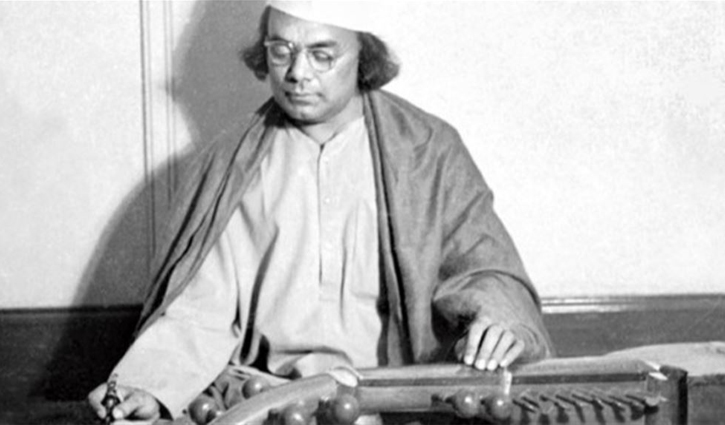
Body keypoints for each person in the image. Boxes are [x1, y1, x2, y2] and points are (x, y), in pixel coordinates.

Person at [88, 1, 554, 423]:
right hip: (264, 402)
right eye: (281, 51)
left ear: (363, 55)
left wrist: (497, 322)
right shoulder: (227, 167)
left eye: (322, 55)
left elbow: (485, 270)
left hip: (396, 404)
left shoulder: (429, 151)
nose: (297, 73)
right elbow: (198, 313)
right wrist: (150, 386)